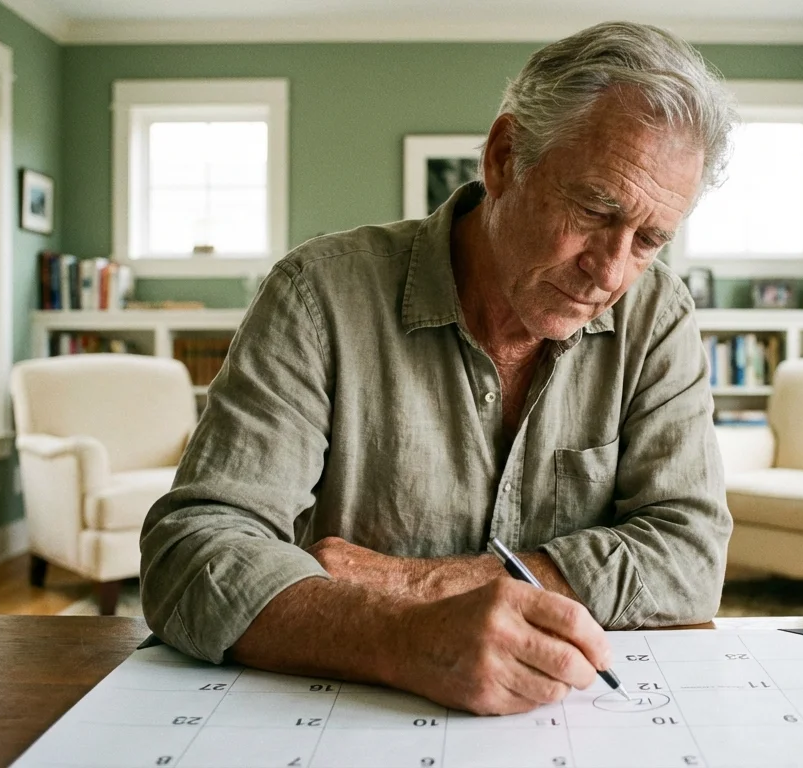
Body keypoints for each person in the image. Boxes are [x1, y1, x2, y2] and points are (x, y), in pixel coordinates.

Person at [140, 20, 735, 716]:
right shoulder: (318, 294)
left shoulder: (658, 315)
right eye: (596, 209)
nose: (611, 269)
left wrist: (418, 586)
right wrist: (396, 637)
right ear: (505, 157)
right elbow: (191, 552)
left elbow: (691, 556)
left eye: (650, 239)